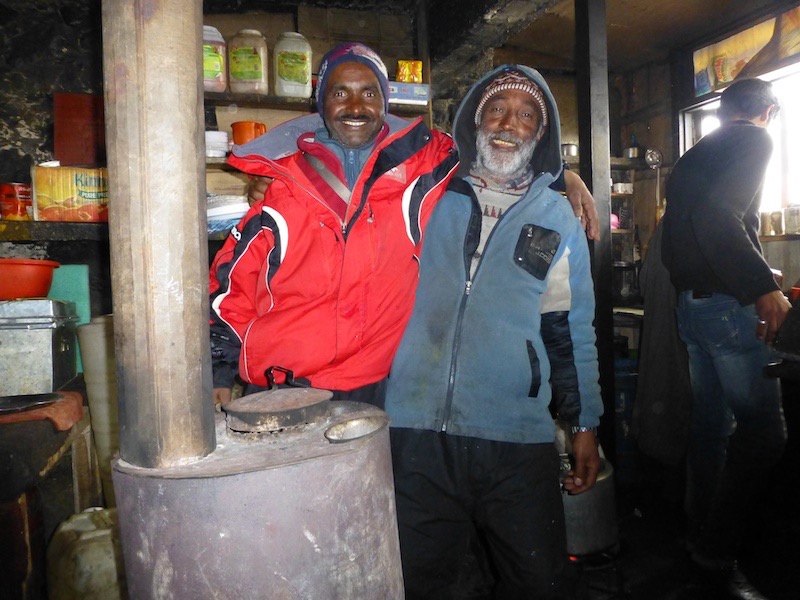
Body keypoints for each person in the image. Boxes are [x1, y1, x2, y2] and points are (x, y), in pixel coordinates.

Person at [210, 42, 599, 408]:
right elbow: (230, 289)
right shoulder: (282, 188)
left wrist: (562, 176)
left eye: (369, 92)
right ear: (321, 103)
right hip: (278, 389)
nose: (356, 106)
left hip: (374, 389)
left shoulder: (422, 172)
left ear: (385, 102)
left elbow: (495, 149)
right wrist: (217, 375)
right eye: (340, 92)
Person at [384, 65, 603, 599]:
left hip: (516, 438)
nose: (510, 123)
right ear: (475, 120)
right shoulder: (424, 190)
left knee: (540, 583)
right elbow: (362, 127)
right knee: (418, 583)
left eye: (528, 115)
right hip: (414, 431)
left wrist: (585, 423)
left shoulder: (557, 217)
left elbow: (570, 330)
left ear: (541, 135)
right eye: (498, 109)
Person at [661, 77, 791, 599]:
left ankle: (699, 541)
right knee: (764, 434)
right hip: (725, 309)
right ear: (770, 110)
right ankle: (718, 549)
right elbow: (719, 216)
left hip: (692, 306)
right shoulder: (754, 139)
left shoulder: (698, 151)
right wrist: (760, 284)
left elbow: (689, 229)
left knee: (712, 429)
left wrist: (751, 273)